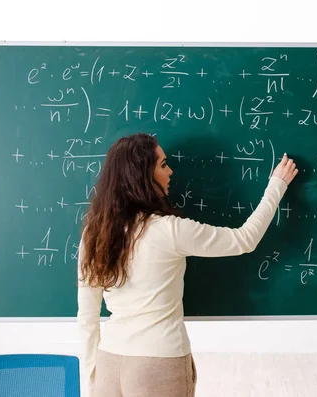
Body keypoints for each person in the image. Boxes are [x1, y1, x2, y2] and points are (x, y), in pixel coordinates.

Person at [76, 132, 298, 397]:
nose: (170, 172)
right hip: (157, 362)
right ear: (142, 176)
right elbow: (244, 239)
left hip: (109, 364)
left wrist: (92, 379)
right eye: (162, 165)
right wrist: (277, 185)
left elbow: (87, 318)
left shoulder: (94, 233)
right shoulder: (168, 230)